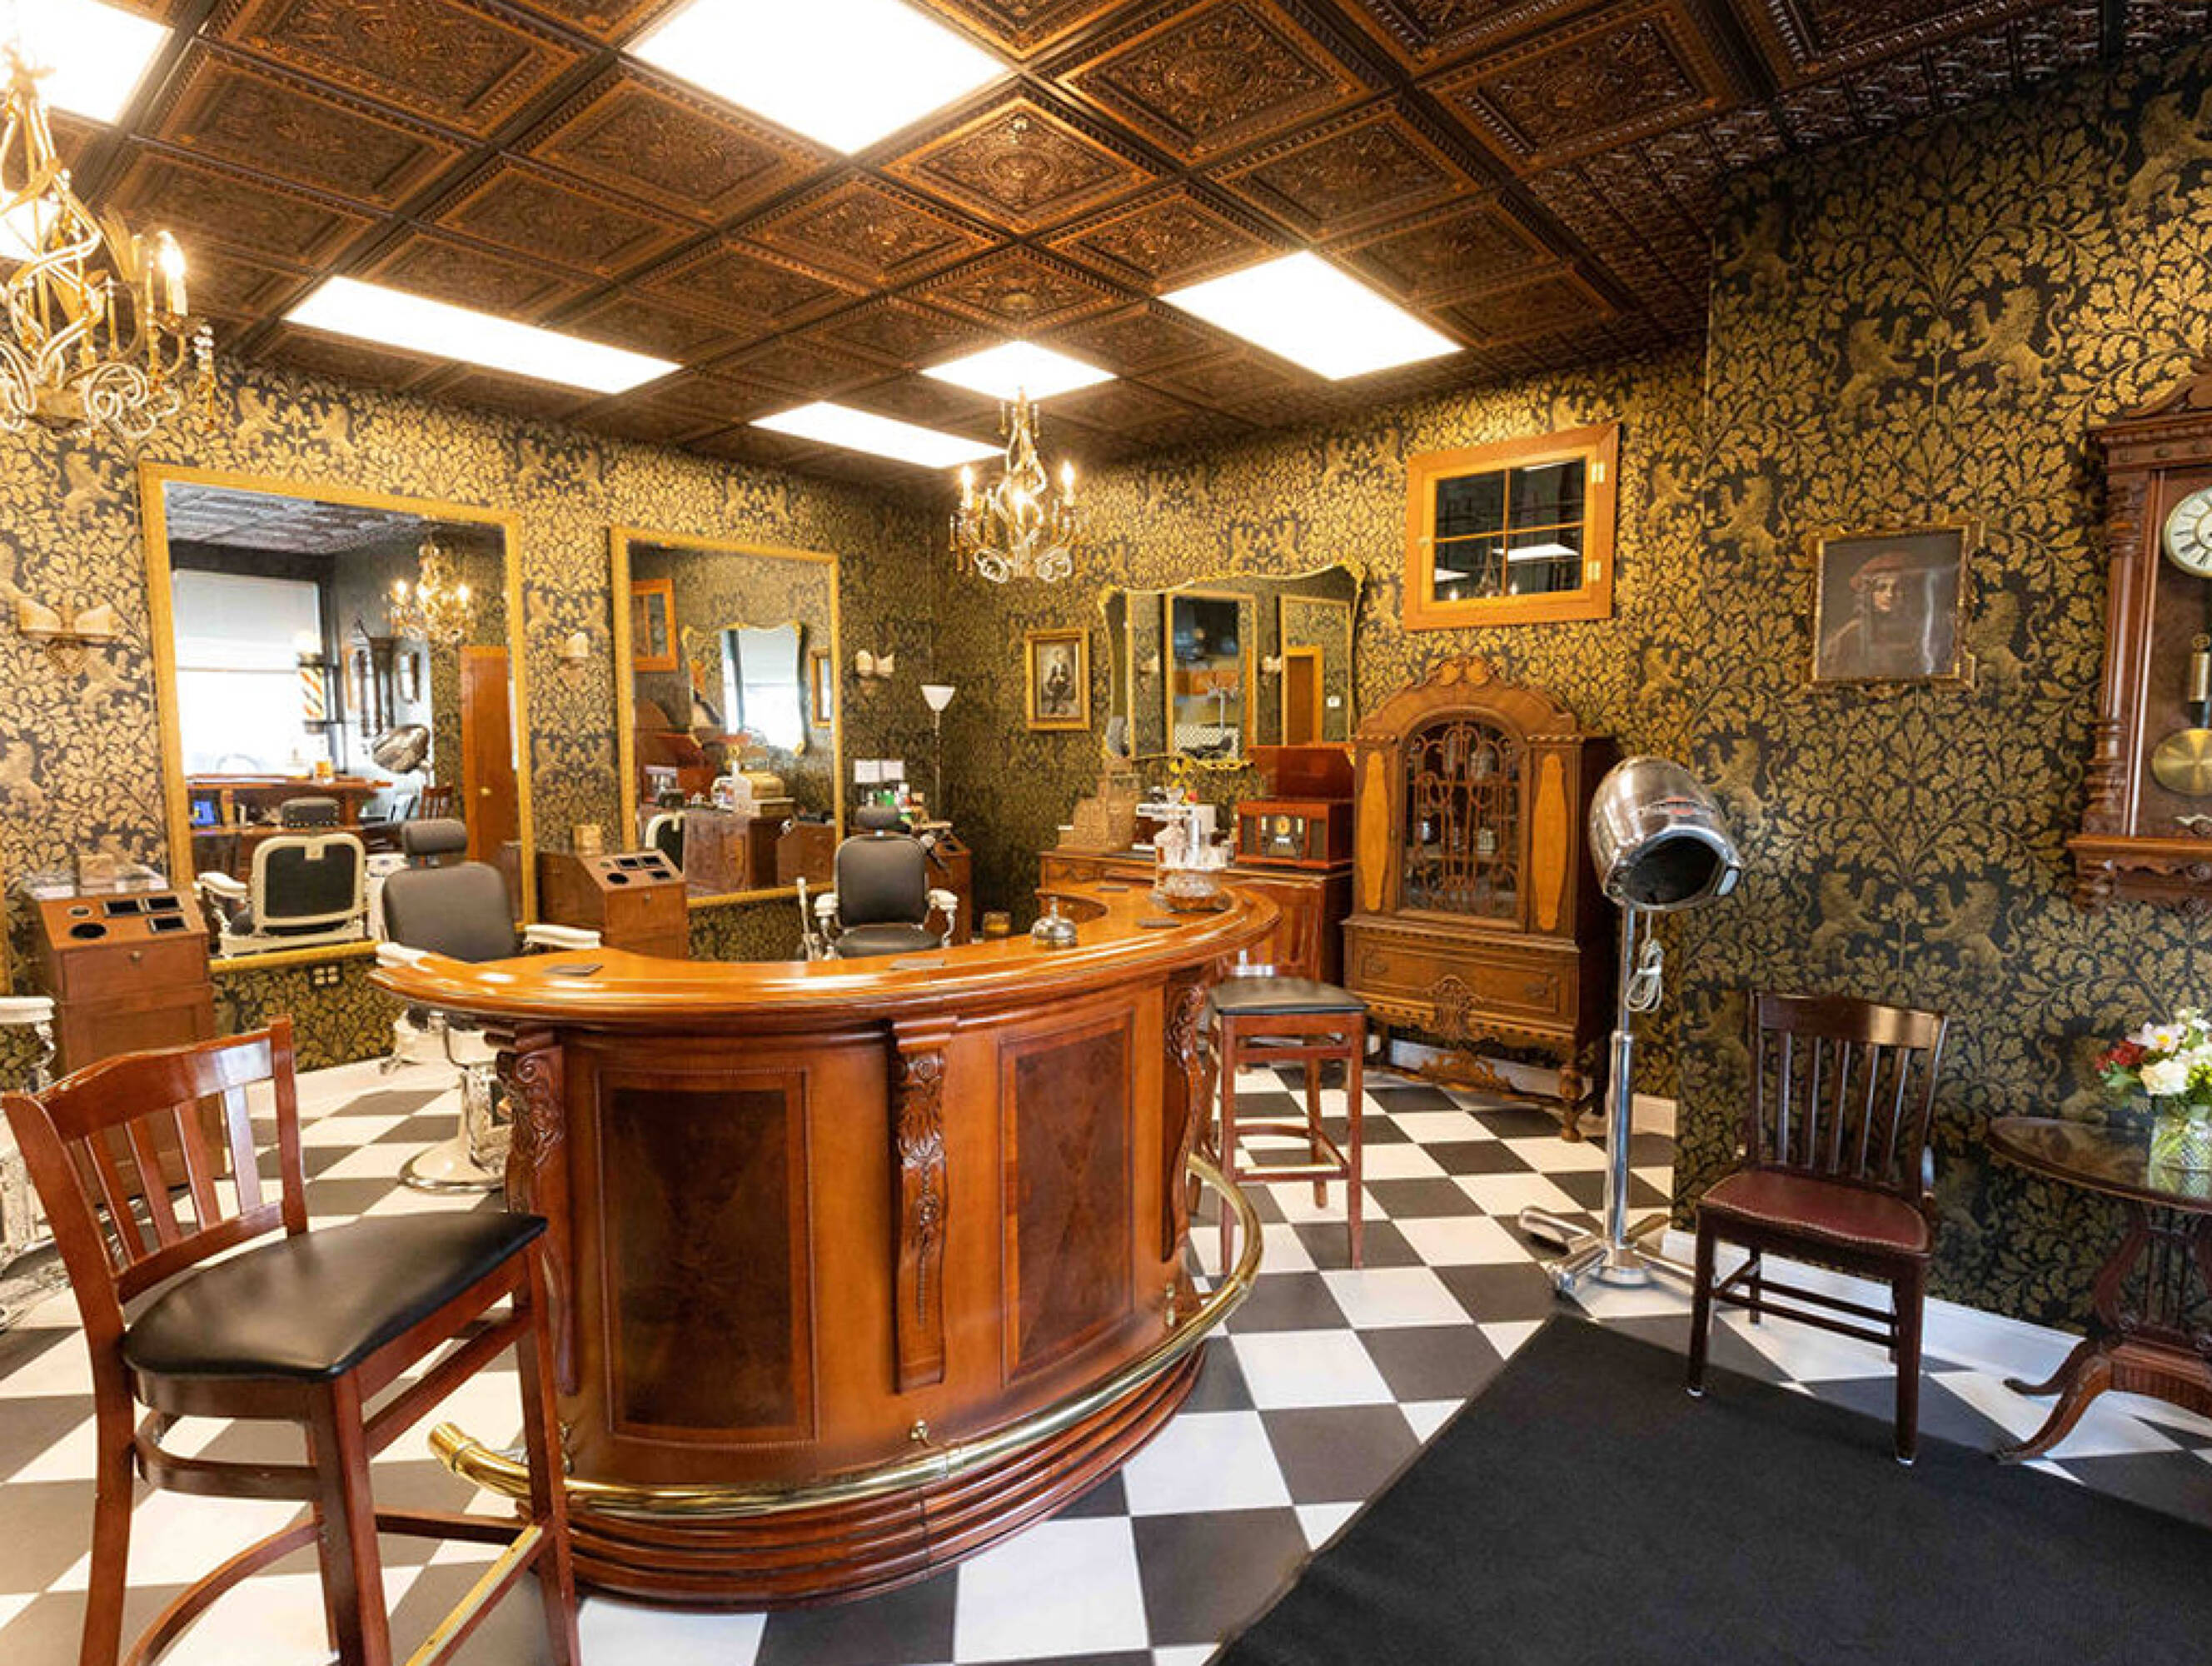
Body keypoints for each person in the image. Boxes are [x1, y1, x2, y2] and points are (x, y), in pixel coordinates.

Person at [1820, 547, 1954, 678]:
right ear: (1869, 594)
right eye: (1881, 588)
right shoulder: (1851, 634)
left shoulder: (1928, 628)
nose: (1889, 595)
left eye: (1897, 588)